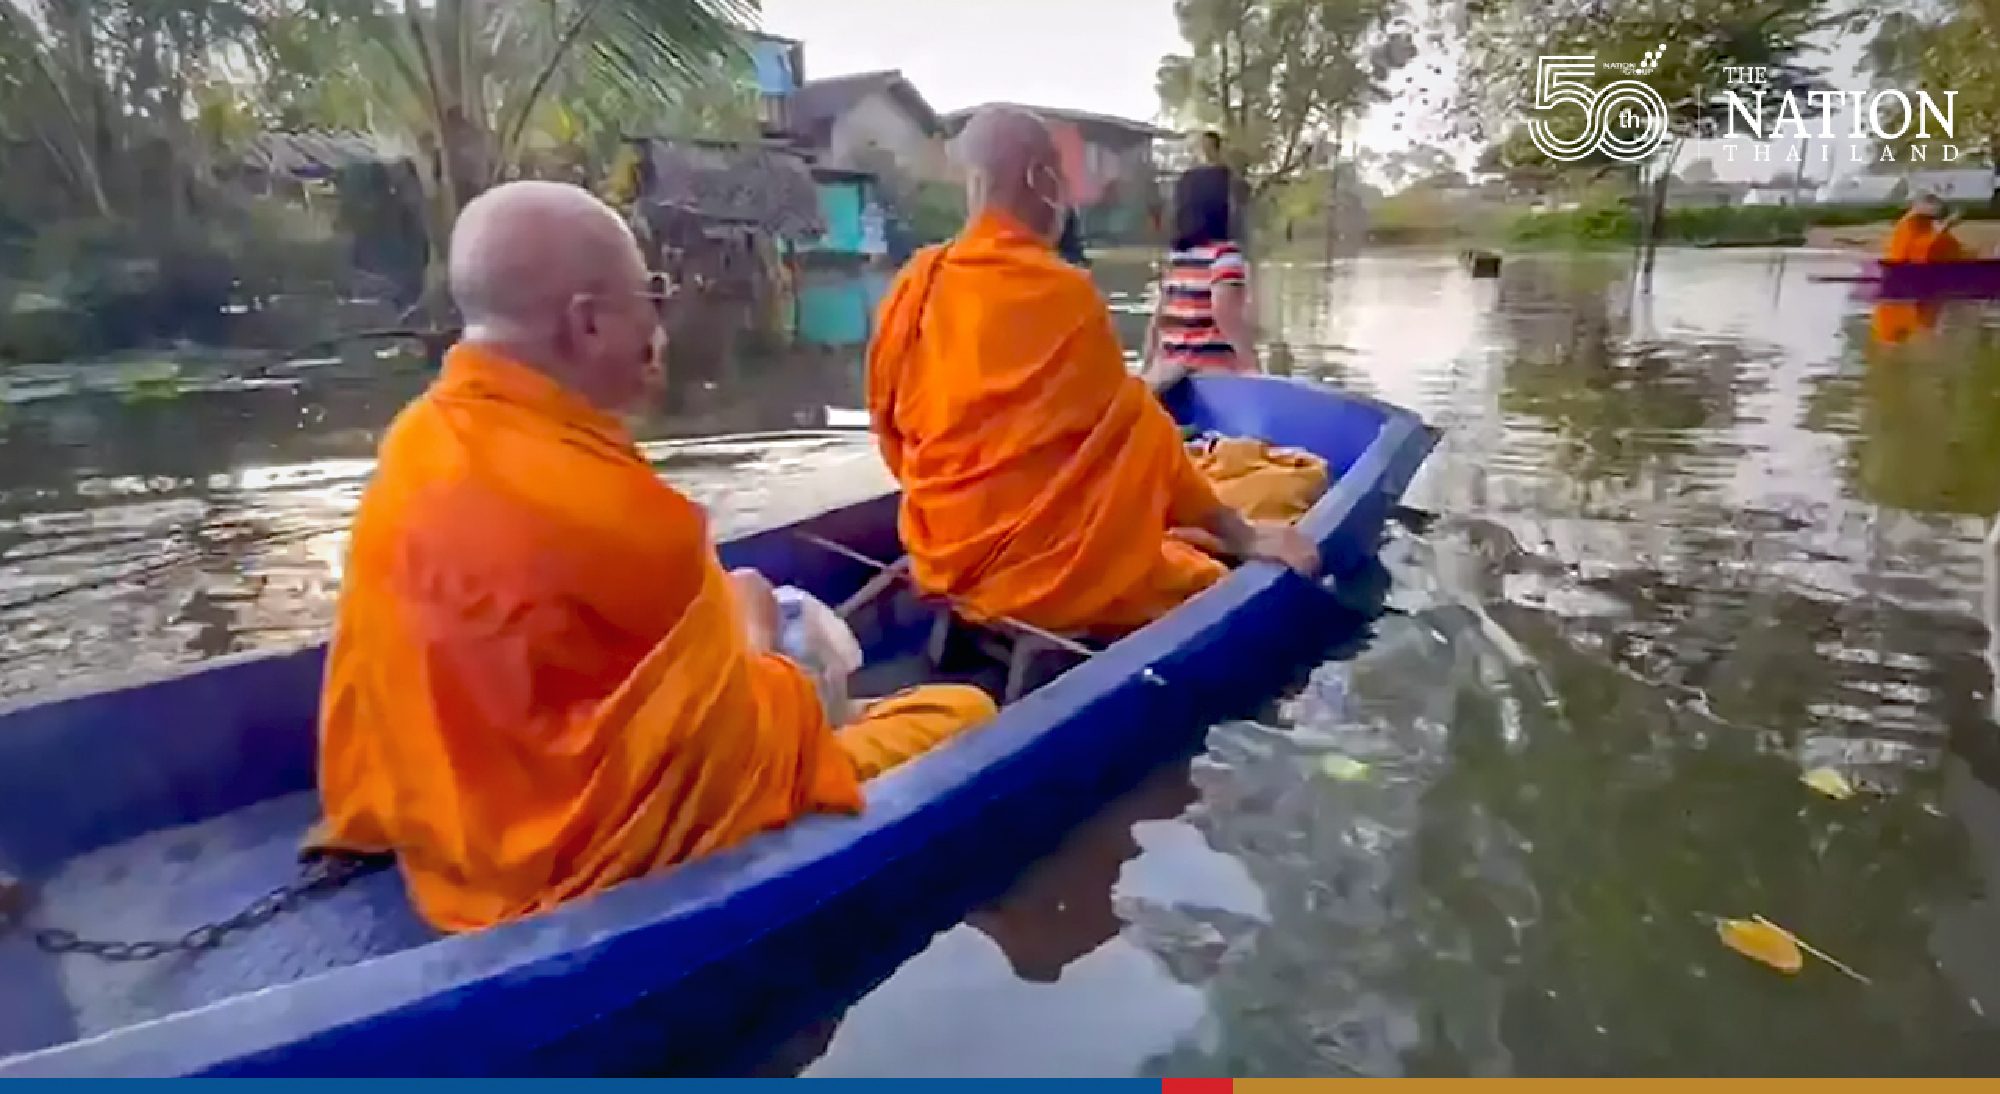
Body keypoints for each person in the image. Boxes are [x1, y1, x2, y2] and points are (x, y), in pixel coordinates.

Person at [312, 180, 997, 933]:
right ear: (589, 323)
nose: (659, 327)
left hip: (439, 826)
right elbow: (737, 740)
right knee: (963, 709)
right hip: (566, 860)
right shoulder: (605, 510)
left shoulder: (416, 440)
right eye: (652, 296)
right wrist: (761, 635)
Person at [866, 107, 1319, 638]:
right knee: (1205, 575)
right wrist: (1241, 535)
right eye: (1059, 172)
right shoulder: (1064, 294)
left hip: (940, 560)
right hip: (1048, 584)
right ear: (1041, 178)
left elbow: (893, 435)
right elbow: (1139, 436)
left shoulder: (914, 285)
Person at [1142, 132, 1258, 388]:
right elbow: (1224, 312)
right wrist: (1250, 364)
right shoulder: (1225, 256)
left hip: (1172, 374)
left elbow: (1158, 319)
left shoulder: (1178, 260)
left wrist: (1148, 366)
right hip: (1213, 378)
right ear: (1218, 207)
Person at [1883, 192, 1967, 264]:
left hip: (1907, 266)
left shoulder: (1906, 224)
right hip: (1922, 266)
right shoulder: (1910, 225)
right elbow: (1938, 231)